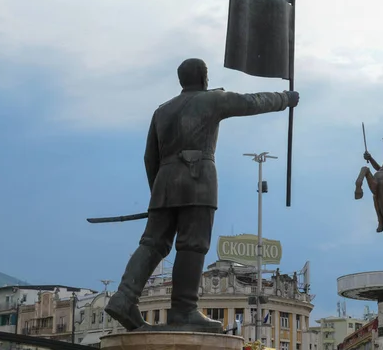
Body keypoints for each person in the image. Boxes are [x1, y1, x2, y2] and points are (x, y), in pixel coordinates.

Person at [105, 58, 300, 332]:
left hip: (164, 184)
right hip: (198, 182)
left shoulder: (161, 111)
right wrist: (285, 98)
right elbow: (252, 102)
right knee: (192, 244)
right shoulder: (212, 100)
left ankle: (124, 296)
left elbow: (150, 158)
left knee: (153, 243)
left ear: (181, 80)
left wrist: (159, 193)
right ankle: (184, 310)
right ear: (204, 78)